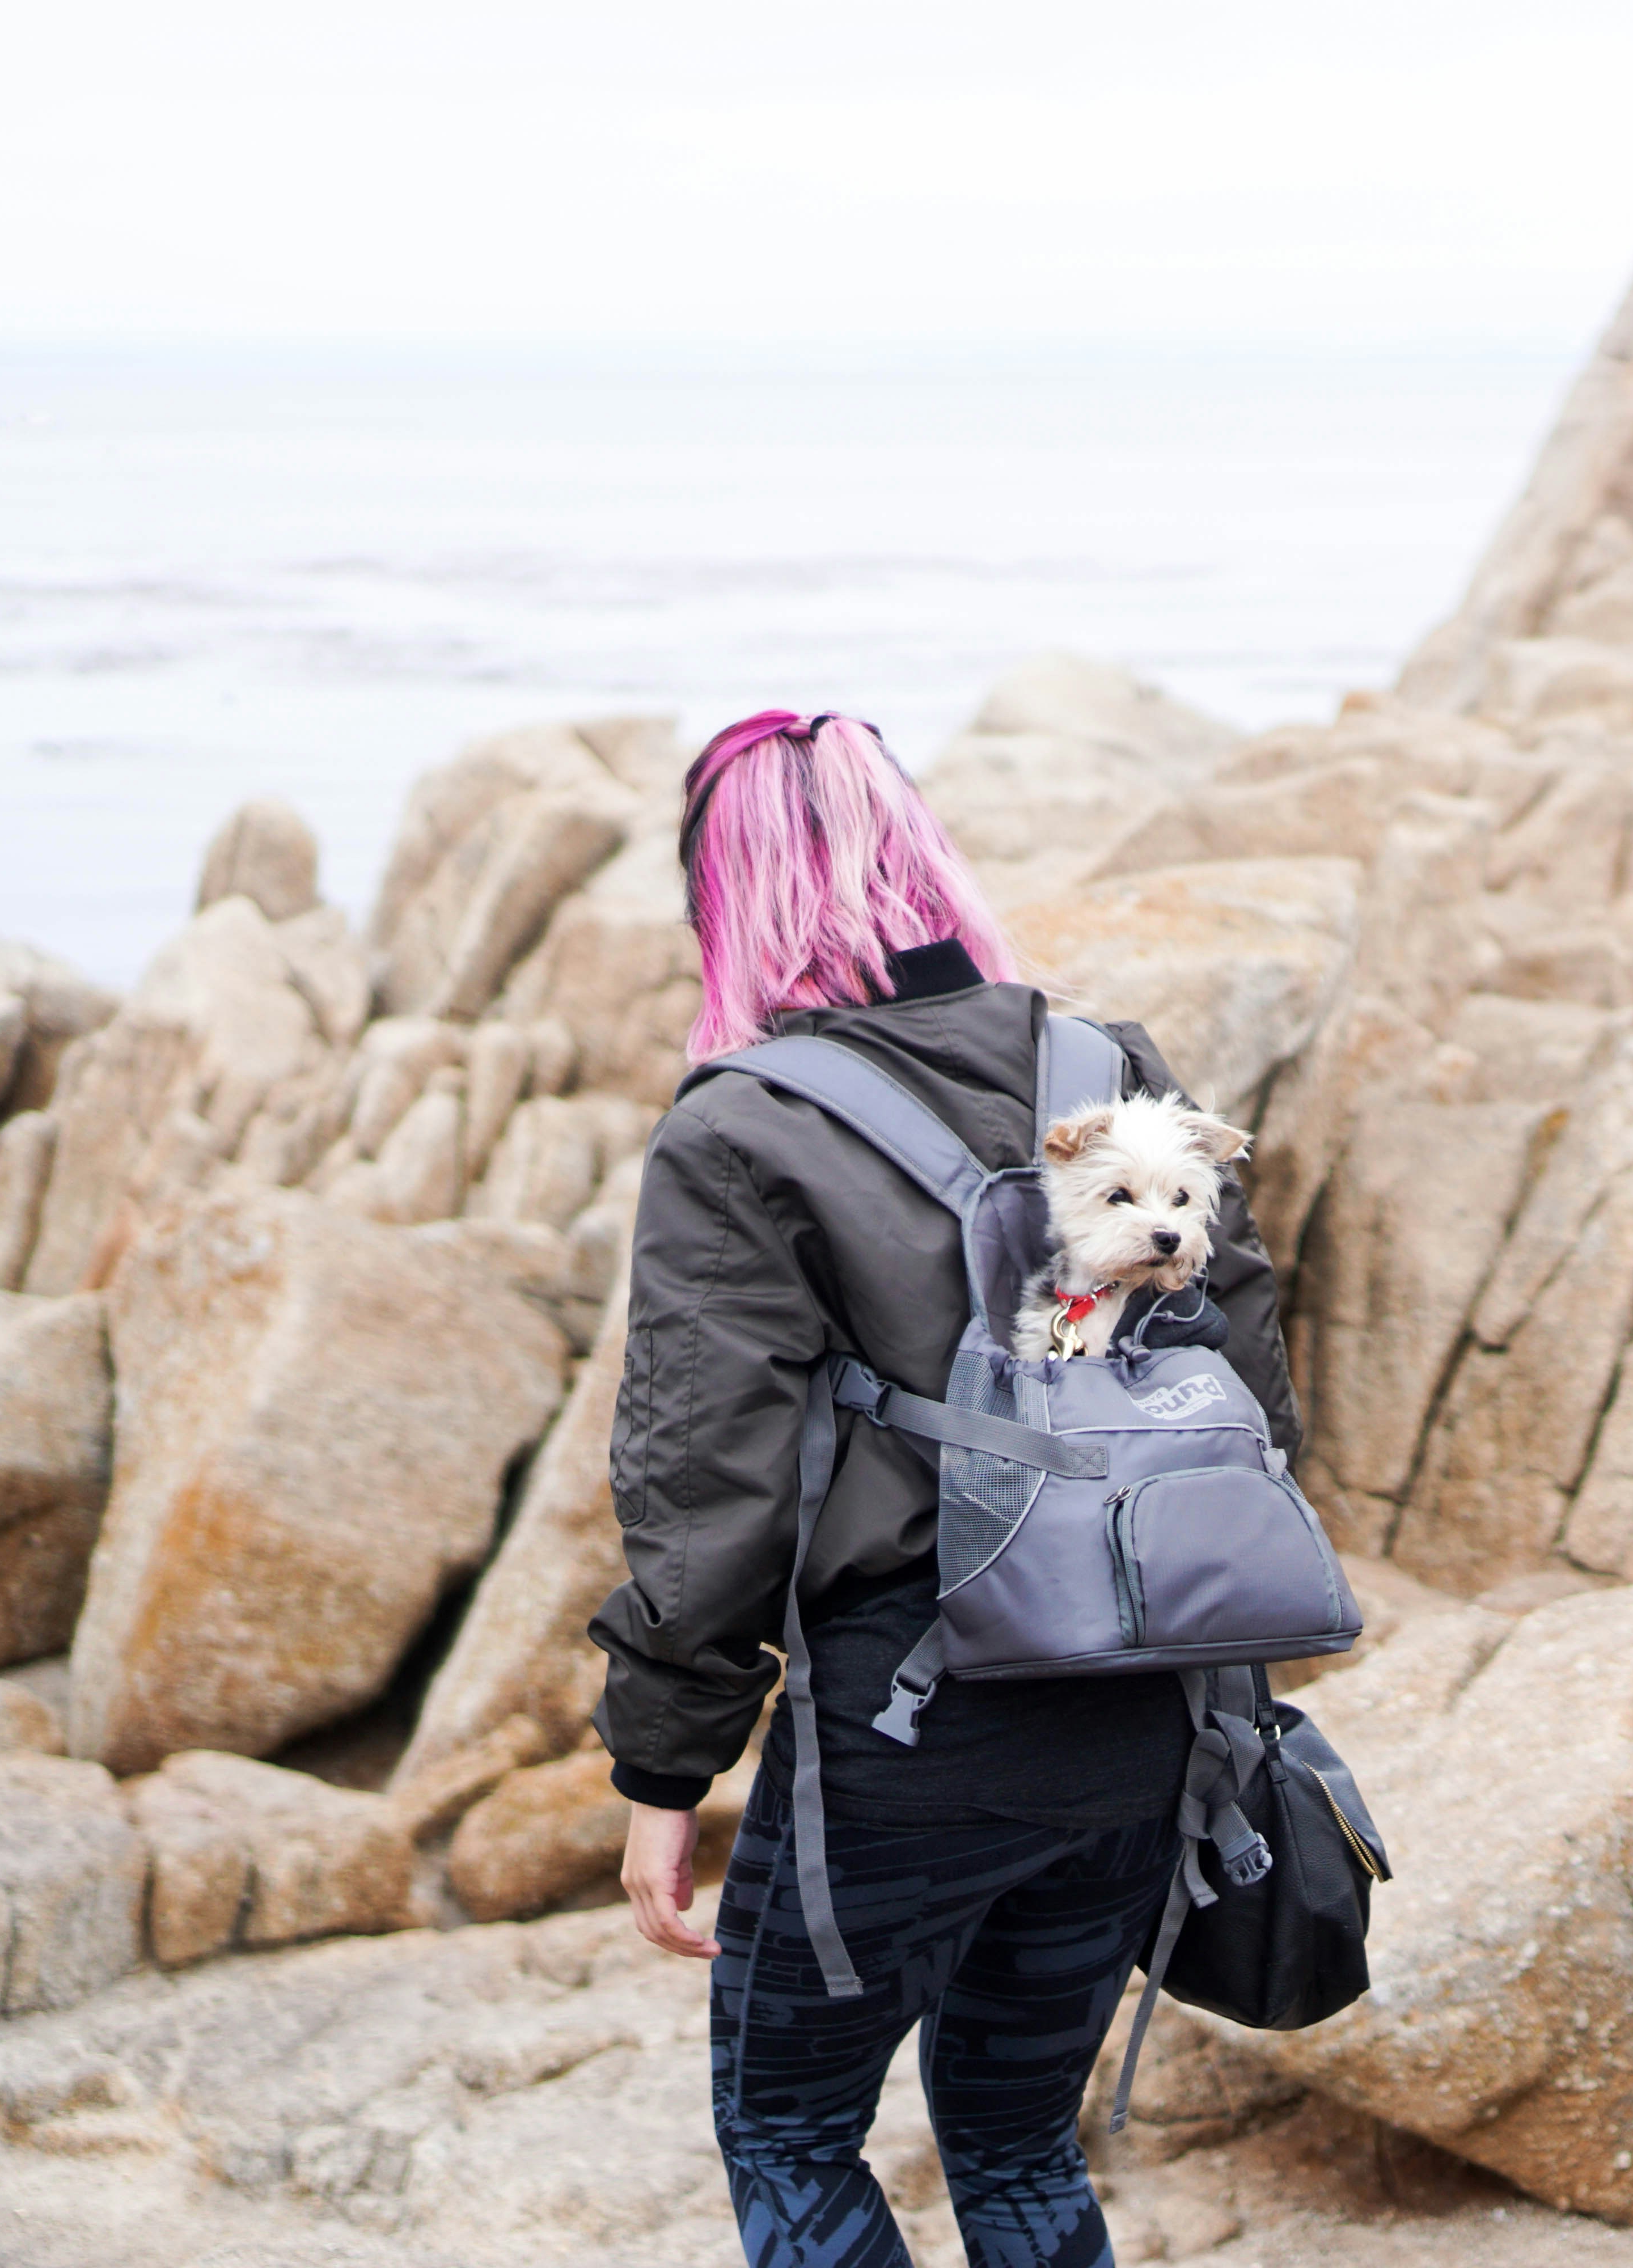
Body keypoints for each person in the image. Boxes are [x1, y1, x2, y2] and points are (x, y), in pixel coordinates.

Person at [589, 709, 1301, 2268]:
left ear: (726, 893)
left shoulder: (747, 1125)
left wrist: (663, 1771)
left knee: (789, 2131)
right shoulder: (1110, 1065)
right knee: (1014, 2139)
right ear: (918, 853)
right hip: (1146, 1709)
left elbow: (708, 1488)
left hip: (910, 1725)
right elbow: (1248, 1391)